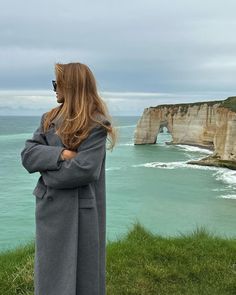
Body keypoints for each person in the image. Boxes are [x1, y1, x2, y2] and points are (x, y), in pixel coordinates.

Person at [20, 62, 117, 295]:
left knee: (85, 273)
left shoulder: (96, 124)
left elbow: (85, 170)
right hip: (50, 211)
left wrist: (46, 172)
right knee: (51, 270)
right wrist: (61, 154)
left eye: (57, 83)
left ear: (71, 86)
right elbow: (28, 155)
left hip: (82, 210)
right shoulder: (48, 118)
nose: (54, 88)